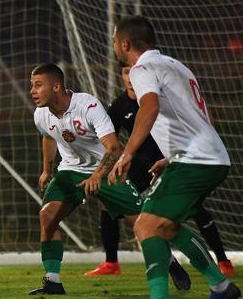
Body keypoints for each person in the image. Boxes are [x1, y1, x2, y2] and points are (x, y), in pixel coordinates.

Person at [109, 15, 239, 299]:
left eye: (115, 41)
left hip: (197, 160)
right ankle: (220, 287)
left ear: (125, 43)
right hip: (205, 156)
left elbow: (150, 108)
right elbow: (192, 115)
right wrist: (170, 157)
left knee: (144, 224)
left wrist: (127, 153)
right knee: (167, 227)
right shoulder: (175, 65)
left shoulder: (141, 69)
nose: (115, 45)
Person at [86, 66, 235, 279]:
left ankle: (222, 260)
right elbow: (112, 141)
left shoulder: (156, 100)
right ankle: (111, 262)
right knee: (110, 201)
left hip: (168, 161)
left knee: (194, 209)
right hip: (140, 165)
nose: (130, 78)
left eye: (132, 72)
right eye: (125, 72)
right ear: (121, 75)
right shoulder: (118, 106)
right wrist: (113, 164)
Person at [28, 62, 145, 295]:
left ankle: (169, 263)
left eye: (38, 85)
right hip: (69, 171)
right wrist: (46, 170)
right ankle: (52, 281)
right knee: (46, 216)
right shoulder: (40, 114)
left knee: (142, 222)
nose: (32, 91)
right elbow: (48, 137)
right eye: (32, 85)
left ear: (57, 87)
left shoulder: (88, 105)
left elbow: (113, 147)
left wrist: (97, 175)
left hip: (105, 168)